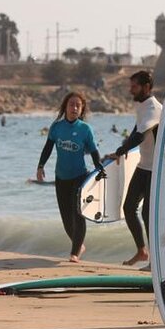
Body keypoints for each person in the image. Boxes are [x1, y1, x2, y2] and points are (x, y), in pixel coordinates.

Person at [36, 92, 103, 263]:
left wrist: (99, 168)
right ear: (65, 107)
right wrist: (40, 166)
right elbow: (47, 148)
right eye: (71, 104)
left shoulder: (85, 129)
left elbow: (94, 151)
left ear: (81, 110)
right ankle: (79, 244)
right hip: (61, 177)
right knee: (66, 219)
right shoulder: (56, 127)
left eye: (77, 106)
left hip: (80, 176)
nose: (74, 108)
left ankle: (74, 253)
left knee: (77, 213)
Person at [105, 71, 162, 268]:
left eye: (134, 86)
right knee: (129, 208)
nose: (131, 90)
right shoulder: (142, 106)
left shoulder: (154, 108)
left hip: (156, 170)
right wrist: (120, 151)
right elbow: (136, 130)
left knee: (148, 214)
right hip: (143, 166)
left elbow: (139, 136)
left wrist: (121, 151)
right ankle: (142, 251)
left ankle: (155, 261)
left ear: (146, 87)